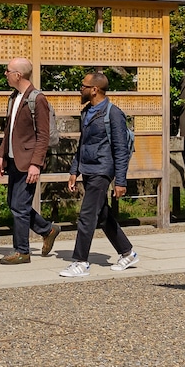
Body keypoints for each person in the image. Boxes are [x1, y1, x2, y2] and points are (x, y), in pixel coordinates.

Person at [59, 70, 139, 277]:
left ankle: (81, 262)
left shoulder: (113, 114)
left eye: (84, 86)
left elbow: (121, 150)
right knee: (102, 215)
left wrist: (120, 181)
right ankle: (128, 253)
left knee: (86, 216)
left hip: (102, 170)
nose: (81, 89)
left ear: (94, 90)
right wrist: (74, 170)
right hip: (87, 168)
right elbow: (83, 144)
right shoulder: (87, 112)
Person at [0, 57, 60, 264]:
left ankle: (22, 251)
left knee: (20, 207)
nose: (5, 74)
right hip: (14, 159)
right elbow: (9, 131)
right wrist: (1, 156)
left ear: (18, 75)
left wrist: (36, 164)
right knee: (14, 204)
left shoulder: (37, 98)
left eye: (7, 71)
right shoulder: (14, 97)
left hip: (29, 160)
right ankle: (47, 229)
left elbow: (43, 135)